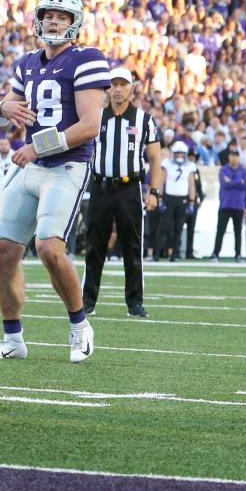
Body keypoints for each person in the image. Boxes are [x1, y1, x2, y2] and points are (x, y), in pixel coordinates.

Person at [0, 0, 109, 363]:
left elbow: (89, 126)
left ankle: (79, 326)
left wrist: (36, 147)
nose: (54, 21)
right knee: (3, 248)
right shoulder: (26, 64)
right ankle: (12, 339)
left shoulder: (87, 60)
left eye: (62, 17)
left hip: (66, 166)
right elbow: (4, 118)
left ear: (74, 23)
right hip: (30, 166)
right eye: (49, 15)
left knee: (50, 247)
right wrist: (4, 107)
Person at [81, 67, 162, 319]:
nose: (118, 89)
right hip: (100, 187)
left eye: (123, 84)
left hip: (129, 188)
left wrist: (154, 191)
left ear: (131, 88)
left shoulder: (144, 120)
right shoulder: (95, 118)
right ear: (108, 88)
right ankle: (87, 302)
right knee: (94, 246)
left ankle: (134, 302)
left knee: (132, 246)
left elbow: (155, 159)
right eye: (113, 84)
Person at [154, 141, 196, 262]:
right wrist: (160, 197)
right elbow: (162, 181)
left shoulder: (190, 166)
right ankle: (156, 253)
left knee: (179, 228)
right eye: (177, 153)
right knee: (164, 227)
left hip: (182, 199)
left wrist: (191, 201)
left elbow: (191, 184)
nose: (179, 156)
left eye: (182, 153)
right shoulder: (167, 164)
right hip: (169, 198)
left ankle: (174, 254)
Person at [210, 149, 246, 261]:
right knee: (220, 231)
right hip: (225, 204)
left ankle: (238, 254)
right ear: (229, 157)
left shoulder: (244, 170)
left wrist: (232, 181)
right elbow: (225, 184)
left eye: (236, 156)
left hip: (238, 205)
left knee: (238, 231)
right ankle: (215, 253)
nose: (234, 158)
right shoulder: (223, 169)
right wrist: (239, 181)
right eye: (232, 156)